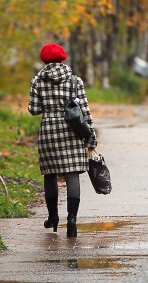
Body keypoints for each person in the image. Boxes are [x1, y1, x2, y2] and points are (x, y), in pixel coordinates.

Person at [28, 43, 98, 238]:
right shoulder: (75, 81)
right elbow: (84, 110)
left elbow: (33, 110)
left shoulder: (37, 81)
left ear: (44, 60)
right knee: (72, 173)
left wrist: (47, 105)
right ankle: (72, 219)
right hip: (72, 130)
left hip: (49, 131)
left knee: (50, 174)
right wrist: (91, 135)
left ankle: (53, 217)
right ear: (63, 58)